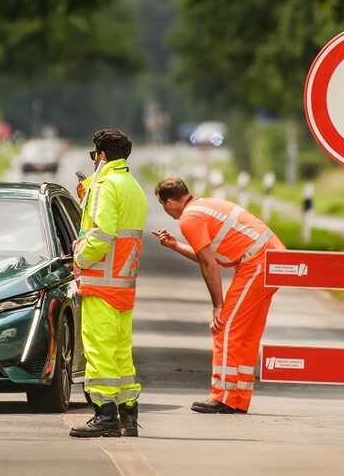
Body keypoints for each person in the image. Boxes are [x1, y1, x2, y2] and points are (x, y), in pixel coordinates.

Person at [152, 177, 285, 414]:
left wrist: (218, 306)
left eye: (163, 206)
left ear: (170, 202)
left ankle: (222, 395)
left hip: (256, 262)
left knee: (224, 327)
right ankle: (238, 398)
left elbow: (208, 264)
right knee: (246, 333)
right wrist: (175, 246)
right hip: (273, 260)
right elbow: (208, 256)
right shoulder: (204, 205)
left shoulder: (189, 219)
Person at [69, 129, 148, 438]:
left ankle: (105, 416)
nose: (92, 161)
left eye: (93, 155)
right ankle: (128, 414)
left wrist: (79, 259)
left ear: (101, 155)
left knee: (99, 350)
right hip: (123, 283)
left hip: (100, 282)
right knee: (120, 352)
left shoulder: (105, 185)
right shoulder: (132, 185)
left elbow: (102, 234)